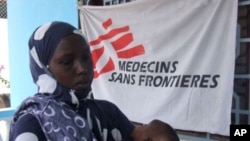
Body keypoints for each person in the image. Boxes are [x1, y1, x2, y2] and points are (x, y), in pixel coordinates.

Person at [9, 21, 180, 141]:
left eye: (86, 58)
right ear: (44, 68)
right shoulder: (32, 123)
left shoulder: (106, 112)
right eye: (67, 62)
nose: (82, 68)